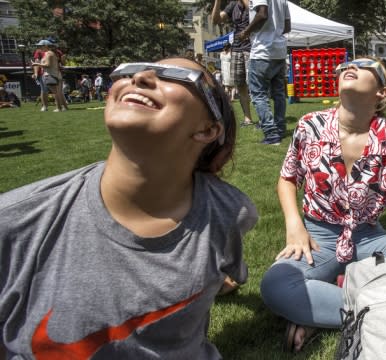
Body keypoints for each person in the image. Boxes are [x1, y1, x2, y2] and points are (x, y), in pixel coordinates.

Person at [0, 57, 257, 358]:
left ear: (208, 129)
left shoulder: (229, 212)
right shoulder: (15, 221)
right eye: (129, 71)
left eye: (176, 76)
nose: (141, 77)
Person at [260, 57, 386, 353]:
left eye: (366, 65)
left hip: (370, 236)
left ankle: (321, 310)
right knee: (276, 285)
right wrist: (294, 225)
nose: (348, 67)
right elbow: (287, 178)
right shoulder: (309, 125)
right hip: (319, 240)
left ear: (382, 92)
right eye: (345, 66)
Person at [238, 0, 291, 145]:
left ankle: (271, 133)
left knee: (258, 94)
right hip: (279, 51)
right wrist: (275, 32)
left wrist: (245, 32)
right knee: (279, 93)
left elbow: (262, 14)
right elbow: (287, 26)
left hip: (263, 50)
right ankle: (280, 129)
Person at [212, 0, 255, 127]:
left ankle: (265, 119)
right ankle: (248, 118)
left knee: (256, 85)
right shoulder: (233, 5)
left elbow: (256, 14)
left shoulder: (254, 2)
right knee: (240, 84)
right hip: (236, 48)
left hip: (252, 47)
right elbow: (215, 20)